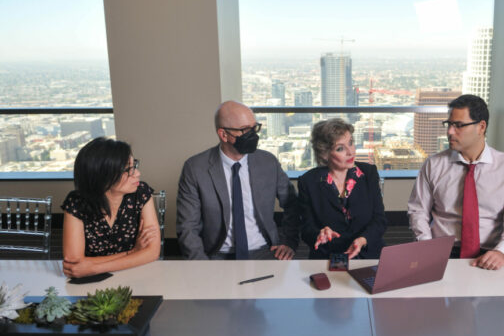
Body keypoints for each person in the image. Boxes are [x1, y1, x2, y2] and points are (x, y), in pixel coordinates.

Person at [407, 94, 504, 270]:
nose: (450, 131)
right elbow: (418, 211)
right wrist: (427, 249)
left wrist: (503, 252)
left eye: (458, 125)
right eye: (449, 124)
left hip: (491, 252)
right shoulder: (433, 165)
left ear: (481, 127)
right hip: (442, 251)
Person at [176, 100, 299, 260]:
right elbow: (187, 227)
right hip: (216, 255)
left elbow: (293, 205)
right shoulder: (195, 168)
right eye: (244, 130)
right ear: (224, 134)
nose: (253, 135)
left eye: (254, 128)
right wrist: (202, 266)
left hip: (267, 251)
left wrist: (289, 242)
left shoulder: (268, 162)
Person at [61, 138, 161, 278]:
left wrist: (94, 268)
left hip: (136, 274)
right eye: (128, 169)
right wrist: (133, 252)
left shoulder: (141, 193)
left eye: (134, 166)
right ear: (103, 176)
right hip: (91, 283)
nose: (137, 173)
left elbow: (152, 252)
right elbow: (74, 263)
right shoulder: (77, 203)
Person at [298, 118, 386, 259]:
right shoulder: (308, 181)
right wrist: (319, 234)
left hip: (368, 253)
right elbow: (306, 229)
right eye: (340, 148)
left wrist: (363, 240)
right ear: (324, 154)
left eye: (350, 143)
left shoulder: (368, 173)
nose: (350, 152)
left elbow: (379, 220)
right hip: (329, 255)